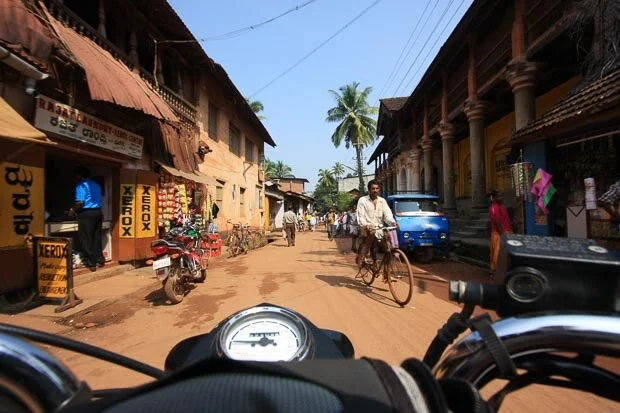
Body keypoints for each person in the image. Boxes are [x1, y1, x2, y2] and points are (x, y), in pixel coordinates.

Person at [68, 166, 104, 272]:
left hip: (87, 214)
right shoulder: (96, 185)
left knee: (86, 239)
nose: (75, 177)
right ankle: (99, 259)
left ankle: (91, 263)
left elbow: (80, 203)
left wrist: (72, 210)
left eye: (76, 175)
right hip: (98, 212)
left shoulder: (81, 186)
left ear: (79, 175)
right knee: (96, 237)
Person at [356, 180, 397, 266]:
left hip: (380, 228)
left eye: (377, 188)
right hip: (367, 228)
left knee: (388, 247)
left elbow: (387, 214)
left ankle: (387, 271)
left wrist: (392, 222)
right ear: (369, 189)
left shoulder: (382, 201)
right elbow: (360, 216)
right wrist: (366, 225)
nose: (375, 190)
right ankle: (362, 256)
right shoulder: (362, 200)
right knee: (370, 236)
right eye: (373, 188)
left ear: (379, 189)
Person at [488, 189, 513, 272]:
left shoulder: (502, 206)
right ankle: (497, 269)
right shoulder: (494, 207)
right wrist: (502, 235)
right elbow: (497, 221)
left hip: (507, 231)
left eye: (502, 196)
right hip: (500, 233)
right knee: (498, 253)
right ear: (494, 198)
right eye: (499, 196)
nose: (501, 198)